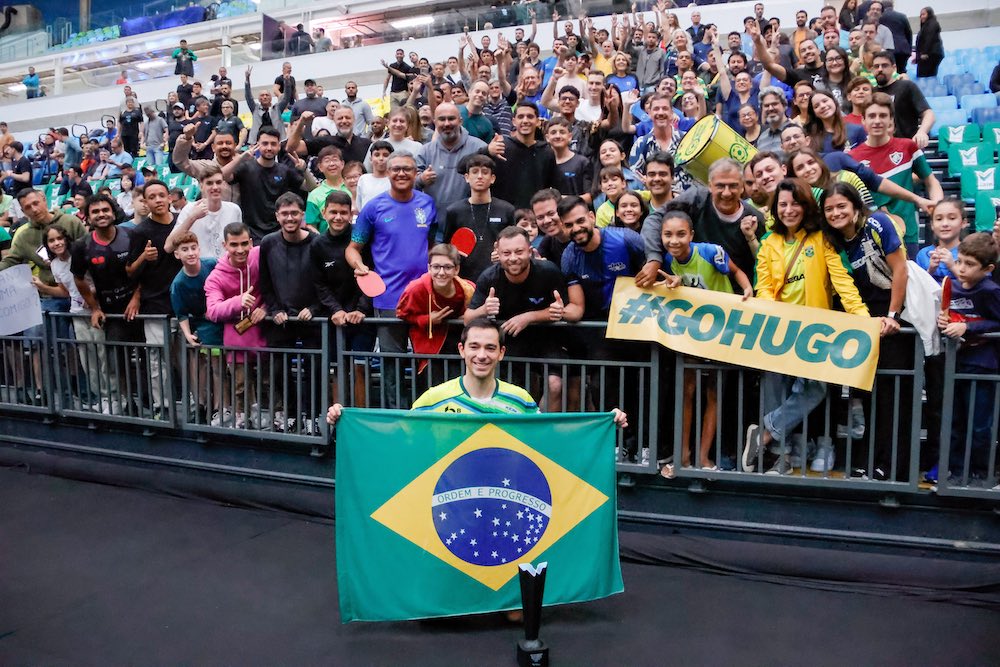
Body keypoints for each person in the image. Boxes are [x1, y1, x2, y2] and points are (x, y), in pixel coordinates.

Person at [742, 178, 871, 475]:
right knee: (777, 391)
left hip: (814, 333)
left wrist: (862, 317)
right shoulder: (768, 242)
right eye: (782, 204)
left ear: (806, 206)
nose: (789, 210)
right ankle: (781, 457)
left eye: (795, 203)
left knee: (816, 389)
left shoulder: (822, 239)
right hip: (778, 331)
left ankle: (765, 433)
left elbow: (842, 283)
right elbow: (764, 287)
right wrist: (773, 314)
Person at [820, 181, 910, 480]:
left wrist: (893, 315)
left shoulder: (878, 224)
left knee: (893, 396)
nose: (836, 213)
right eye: (829, 209)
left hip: (895, 321)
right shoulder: (833, 242)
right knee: (871, 396)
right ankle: (870, 460)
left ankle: (893, 466)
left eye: (841, 206)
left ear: (856, 206)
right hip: (864, 323)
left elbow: (900, 269)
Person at [655, 209, 753, 476]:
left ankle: (703, 455)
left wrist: (747, 290)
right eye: (668, 235)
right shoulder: (668, 260)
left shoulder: (710, 252)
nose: (674, 240)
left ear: (691, 235)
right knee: (687, 390)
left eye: (681, 234)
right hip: (693, 333)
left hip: (722, 330)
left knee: (714, 393)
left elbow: (736, 272)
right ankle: (683, 456)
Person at [347, 152, 436, 408]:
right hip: (388, 299)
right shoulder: (373, 208)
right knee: (391, 364)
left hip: (424, 297)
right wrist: (359, 266)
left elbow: (432, 246)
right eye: (396, 169)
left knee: (426, 361)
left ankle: (426, 412)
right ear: (387, 173)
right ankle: (397, 416)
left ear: (416, 173)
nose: (401, 173)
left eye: (407, 169)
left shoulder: (428, 204)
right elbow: (353, 248)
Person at [463, 226, 571, 412]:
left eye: (519, 252)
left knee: (555, 384)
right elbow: (467, 319)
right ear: (498, 253)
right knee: (514, 392)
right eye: (506, 253)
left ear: (530, 251)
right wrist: (484, 309)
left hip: (547, 340)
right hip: (510, 343)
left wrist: (530, 317)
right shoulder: (489, 277)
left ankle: (543, 427)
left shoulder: (548, 272)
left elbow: (564, 309)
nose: (513, 258)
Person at [638, 158, 764, 292]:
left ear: (742, 187)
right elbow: (655, 219)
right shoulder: (696, 199)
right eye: (720, 186)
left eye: (733, 186)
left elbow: (763, 264)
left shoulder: (755, 219)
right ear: (710, 186)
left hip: (733, 295)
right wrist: (654, 259)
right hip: (692, 289)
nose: (726, 193)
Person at [937, 233, 1000, 484]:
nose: (961, 268)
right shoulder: (951, 285)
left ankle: (981, 471)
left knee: (980, 424)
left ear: (988, 269)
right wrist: (944, 321)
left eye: (970, 264)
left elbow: (997, 321)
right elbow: (951, 316)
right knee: (955, 420)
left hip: (982, 365)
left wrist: (968, 327)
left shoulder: (990, 290)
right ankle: (956, 469)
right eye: (959, 261)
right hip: (956, 361)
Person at [258, 192, 322, 432]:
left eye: (294, 213)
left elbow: (324, 284)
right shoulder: (268, 243)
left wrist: (314, 308)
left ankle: (313, 417)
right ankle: (292, 415)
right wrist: (274, 309)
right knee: (279, 371)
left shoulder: (317, 243)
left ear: (302, 215)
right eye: (284, 214)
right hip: (280, 320)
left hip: (311, 319)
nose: (290, 218)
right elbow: (265, 282)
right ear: (277, 216)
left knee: (314, 369)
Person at [849, 92, 942, 257]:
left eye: (883, 115)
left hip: (908, 234)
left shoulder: (907, 147)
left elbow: (931, 181)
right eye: (872, 116)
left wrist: (937, 204)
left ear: (891, 120)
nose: (877, 120)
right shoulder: (852, 158)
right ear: (863, 120)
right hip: (870, 237)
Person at [310, 191, 373, 407]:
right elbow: (319, 284)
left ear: (351, 214)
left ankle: (361, 418)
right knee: (337, 368)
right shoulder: (318, 245)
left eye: (343, 213)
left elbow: (372, 275)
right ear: (324, 212)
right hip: (334, 319)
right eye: (333, 212)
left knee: (360, 367)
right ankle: (338, 418)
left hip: (362, 318)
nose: (338, 217)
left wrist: (361, 310)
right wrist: (335, 310)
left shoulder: (362, 239)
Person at [125, 180, 181, 417]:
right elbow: (129, 270)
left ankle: (198, 403)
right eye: (152, 197)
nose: (158, 200)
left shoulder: (182, 223)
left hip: (184, 302)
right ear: (146, 203)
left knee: (188, 359)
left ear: (169, 198)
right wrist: (144, 258)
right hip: (155, 303)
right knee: (158, 360)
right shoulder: (140, 232)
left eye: (161, 195)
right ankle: (162, 406)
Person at [204, 223, 267, 428]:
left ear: (251, 242)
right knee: (240, 383)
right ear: (224, 245)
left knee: (270, 380)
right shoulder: (216, 276)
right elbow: (213, 311)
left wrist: (266, 307)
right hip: (237, 339)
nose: (240, 250)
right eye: (233, 245)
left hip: (265, 335)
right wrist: (238, 301)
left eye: (244, 244)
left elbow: (279, 286)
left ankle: (274, 416)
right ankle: (241, 417)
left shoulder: (260, 255)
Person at [396, 242, 476, 379]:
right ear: (429, 268)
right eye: (436, 267)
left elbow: (477, 313)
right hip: (429, 347)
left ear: (456, 269)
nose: (441, 272)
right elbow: (401, 313)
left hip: (460, 345)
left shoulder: (468, 289)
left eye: (447, 267)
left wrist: (470, 315)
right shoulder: (415, 289)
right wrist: (427, 319)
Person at [170, 231, 224, 425]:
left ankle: (218, 407)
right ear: (177, 254)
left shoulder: (212, 264)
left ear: (199, 249)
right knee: (199, 365)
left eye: (193, 248)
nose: (191, 253)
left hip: (219, 321)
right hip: (199, 326)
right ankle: (201, 404)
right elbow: (181, 314)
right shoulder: (178, 284)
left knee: (218, 367)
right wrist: (187, 334)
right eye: (185, 249)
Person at [439, 154, 515, 281]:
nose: (480, 176)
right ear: (467, 177)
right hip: (464, 279)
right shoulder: (454, 211)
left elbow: (514, 244)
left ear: (492, 178)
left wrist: (503, 255)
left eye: (485, 172)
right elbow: (447, 248)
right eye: (475, 172)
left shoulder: (507, 210)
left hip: (499, 276)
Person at [225, 128, 306, 242]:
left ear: (279, 146)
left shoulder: (285, 170)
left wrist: (304, 170)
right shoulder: (246, 168)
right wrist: (241, 158)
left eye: (273, 144)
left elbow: (310, 187)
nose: (269, 148)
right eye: (265, 143)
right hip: (252, 233)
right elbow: (223, 176)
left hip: (279, 233)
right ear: (258, 145)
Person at [165, 165, 242, 260]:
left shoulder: (234, 210)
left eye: (218, 182)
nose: (215, 187)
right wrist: (192, 217)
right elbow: (168, 247)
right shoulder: (189, 209)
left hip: (226, 266)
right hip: (200, 266)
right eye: (209, 183)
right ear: (201, 186)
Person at [869, 51, 933, 149]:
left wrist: (922, 132)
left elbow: (929, 114)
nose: (880, 69)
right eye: (876, 66)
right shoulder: (871, 93)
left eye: (884, 65)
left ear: (894, 68)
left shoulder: (907, 86)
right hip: (880, 149)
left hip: (907, 147)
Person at [916, 198, 966, 283]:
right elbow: (917, 286)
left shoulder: (971, 253)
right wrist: (930, 270)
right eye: (939, 219)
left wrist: (952, 267)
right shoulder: (923, 254)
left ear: (963, 223)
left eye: (952, 218)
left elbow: (979, 285)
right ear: (932, 225)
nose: (945, 224)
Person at [306, 146, 350, 233]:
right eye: (327, 161)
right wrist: (322, 239)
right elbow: (310, 225)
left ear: (342, 164)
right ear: (320, 167)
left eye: (335, 159)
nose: (332, 164)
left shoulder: (353, 187)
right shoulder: (314, 195)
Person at [245, 66, 293, 145]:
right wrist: (247, 80)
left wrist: (287, 82)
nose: (265, 97)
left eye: (267, 95)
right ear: (259, 98)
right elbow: (248, 97)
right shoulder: (255, 108)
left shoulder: (277, 108)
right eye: (262, 95)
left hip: (277, 141)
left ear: (271, 98)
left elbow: (286, 97)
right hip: (257, 142)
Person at [914, 8, 943, 79]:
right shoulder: (926, 25)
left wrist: (924, 53)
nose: (921, 17)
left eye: (923, 14)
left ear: (929, 14)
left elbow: (929, 39)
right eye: (920, 15)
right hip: (928, 54)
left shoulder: (932, 24)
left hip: (930, 55)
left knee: (925, 77)